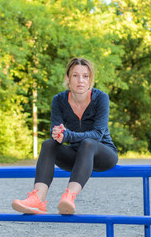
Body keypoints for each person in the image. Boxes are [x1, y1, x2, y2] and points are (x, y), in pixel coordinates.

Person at [12, 57, 118, 215]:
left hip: (102, 155)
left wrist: (68, 136)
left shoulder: (100, 98)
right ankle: (38, 199)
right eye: (75, 76)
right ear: (68, 78)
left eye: (85, 76)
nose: (80, 80)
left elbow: (97, 134)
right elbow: (55, 131)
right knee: (48, 144)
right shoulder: (59, 100)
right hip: (76, 158)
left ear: (90, 80)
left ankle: (69, 197)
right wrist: (58, 134)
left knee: (88, 143)